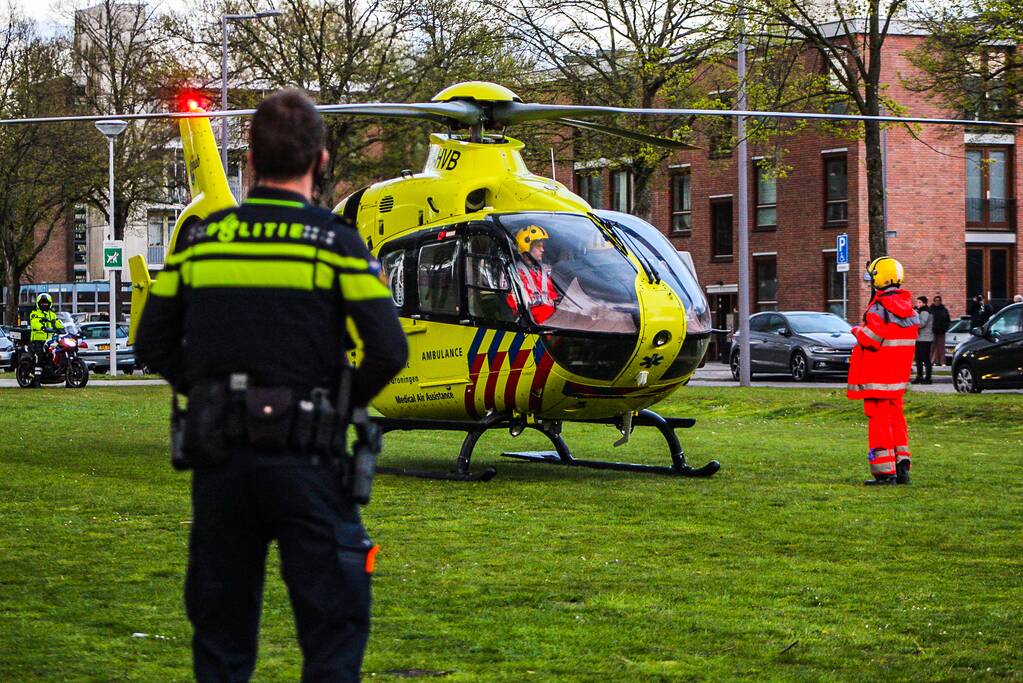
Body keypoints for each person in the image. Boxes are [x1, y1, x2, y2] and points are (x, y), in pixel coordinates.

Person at [135, 89, 408, 681]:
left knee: (221, 636)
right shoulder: (337, 245)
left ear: (250, 162)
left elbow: (150, 342)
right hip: (308, 461)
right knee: (333, 630)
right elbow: (388, 349)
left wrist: (206, 389)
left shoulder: (203, 243)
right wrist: (339, 402)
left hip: (221, 461)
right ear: (323, 160)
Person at [847, 256, 919, 486]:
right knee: (897, 420)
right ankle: (902, 467)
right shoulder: (909, 310)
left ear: (879, 278)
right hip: (897, 378)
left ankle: (884, 472)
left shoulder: (879, 308)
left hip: (877, 376)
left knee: (879, 422)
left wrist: (857, 330)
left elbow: (872, 340)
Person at [507, 224, 559, 323]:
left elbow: (557, 298)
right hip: (532, 325)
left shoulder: (547, 271)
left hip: (553, 321)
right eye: (538, 246)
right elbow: (514, 307)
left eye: (543, 246)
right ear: (526, 246)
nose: (542, 250)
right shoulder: (513, 273)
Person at [28, 292, 63, 366]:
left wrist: (63, 329)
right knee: (40, 356)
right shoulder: (34, 313)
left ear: (49, 304)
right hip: (38, 340)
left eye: (46, 303)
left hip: (50, 340)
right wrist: (42, 327)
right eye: (42, 303)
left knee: (57, 353)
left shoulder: (53, 314)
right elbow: (34, 323)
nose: (44, 305)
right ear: (38, 304)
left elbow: (57, 322)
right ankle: (37, 373)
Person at [913, 295, 933, 384]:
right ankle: (919, 376)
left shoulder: (925, 311)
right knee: (918, 359)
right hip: (920, 338)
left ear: (924, 303)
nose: (917, 304)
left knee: (925, 359)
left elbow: (921, 324)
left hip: (925, 338)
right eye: (917, 302)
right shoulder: (921, 311)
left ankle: (928, 378)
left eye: (919, 302)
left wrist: (913, 322)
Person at [929, 294, 951, 367]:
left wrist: (945, 328)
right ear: (934, 301)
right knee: (932, 347)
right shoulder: (931, 309)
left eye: (938, 301)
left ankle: (942, 362)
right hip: (933, 331)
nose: (937, 302)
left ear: (941, 301)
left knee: (941, 347)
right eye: (936, 300)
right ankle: (931, 361)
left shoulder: (944, 310)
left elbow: (948, 320)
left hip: (942, 331)